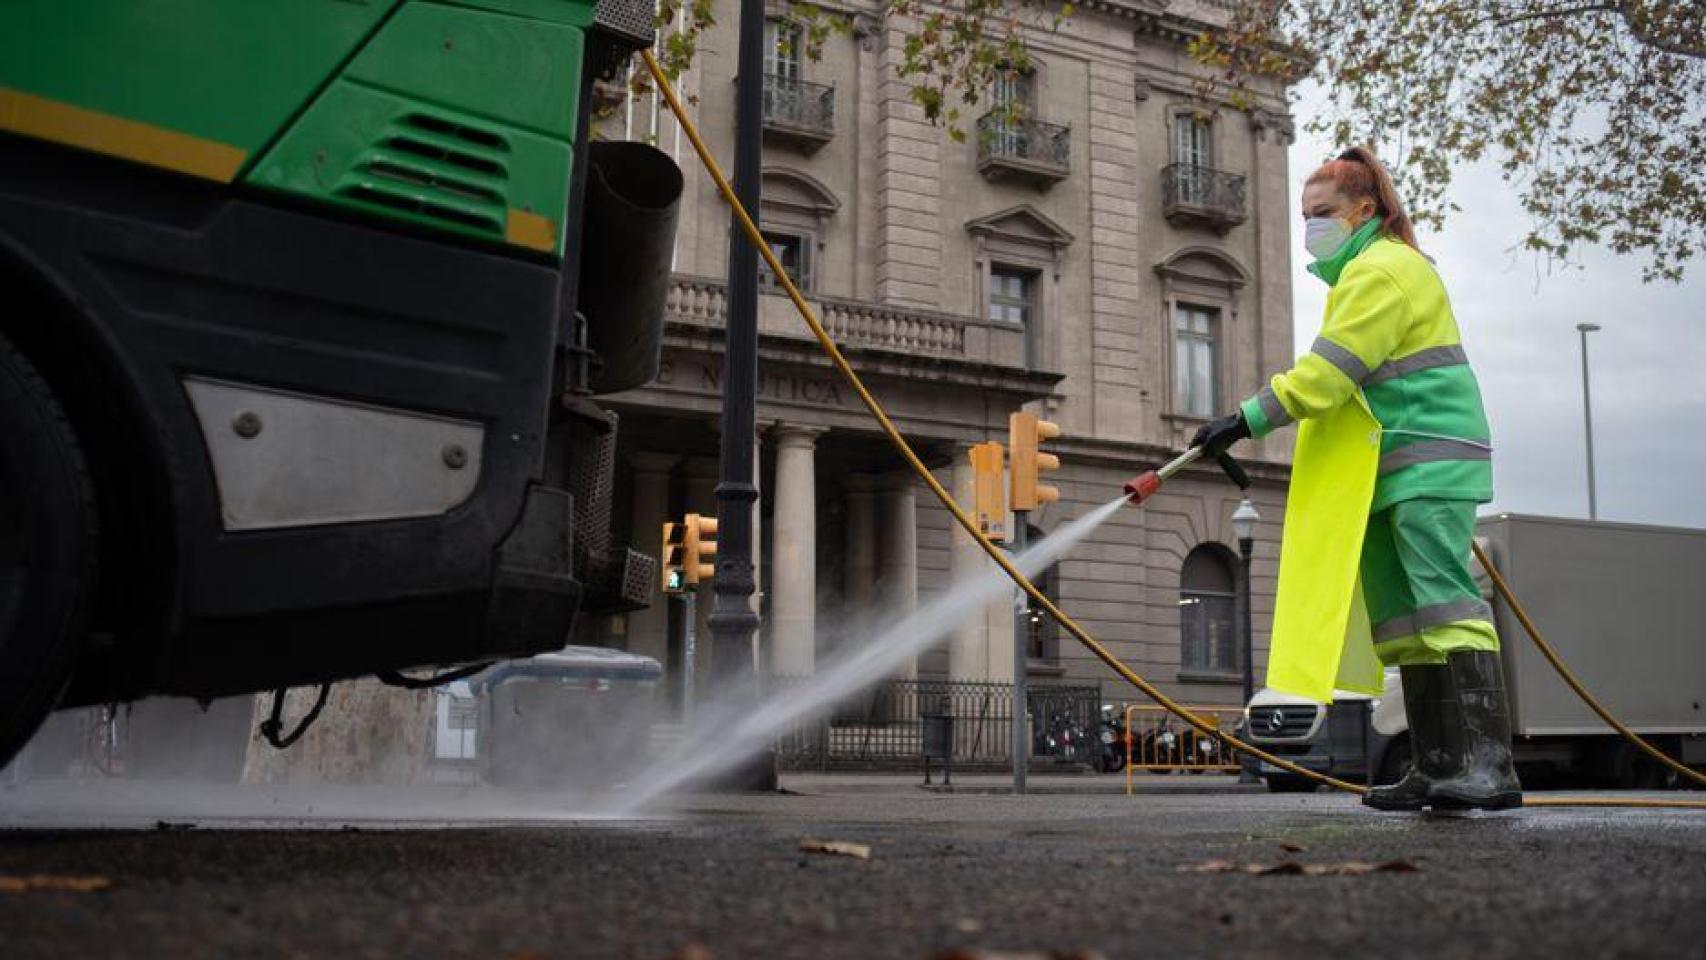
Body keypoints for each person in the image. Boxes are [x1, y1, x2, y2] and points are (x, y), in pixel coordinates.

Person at [1193, 146, 1521, 812]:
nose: (1311, 226)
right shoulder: (1364, 275)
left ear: (1364, 211)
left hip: (1426, 461)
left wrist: (1242, 419)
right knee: (1409, 622)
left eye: (1323, 213)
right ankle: (1435, 766)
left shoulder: (1384, 271)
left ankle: (1491, 768)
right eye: (1306, 215)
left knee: (1450, 608)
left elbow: (1328, 374)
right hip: (1391, 467)